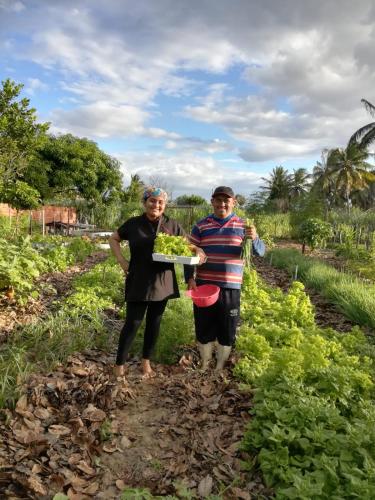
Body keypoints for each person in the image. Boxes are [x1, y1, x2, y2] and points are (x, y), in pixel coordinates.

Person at [109, 186, 205, 381]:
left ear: (165, 205)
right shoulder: (134, 224)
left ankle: (146, 361)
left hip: (162, 281)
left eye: (160, 202)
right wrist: (121, 260)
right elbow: (114, 238)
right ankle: (119, 364)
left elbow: (187, 244)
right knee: (133, 323)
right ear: (145, 203)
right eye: (152, 201)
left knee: (155, 323)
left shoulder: (171, 224)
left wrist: (198, 251)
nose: (156, 205)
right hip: (139, 278)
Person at [185, 186, 265, 371]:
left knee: (227, 327)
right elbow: (188, 252)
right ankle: (205, 363)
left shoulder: (244, 226)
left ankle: (219, 365)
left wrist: (255, 238)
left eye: (226, 200)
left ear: (233, 202)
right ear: (212, 202)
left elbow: (260, 252)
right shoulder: (201, 225)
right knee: (204, 326)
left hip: (230, 287)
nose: (222, 203)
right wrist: (190, 277)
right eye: (218, 200)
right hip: (205, 285)